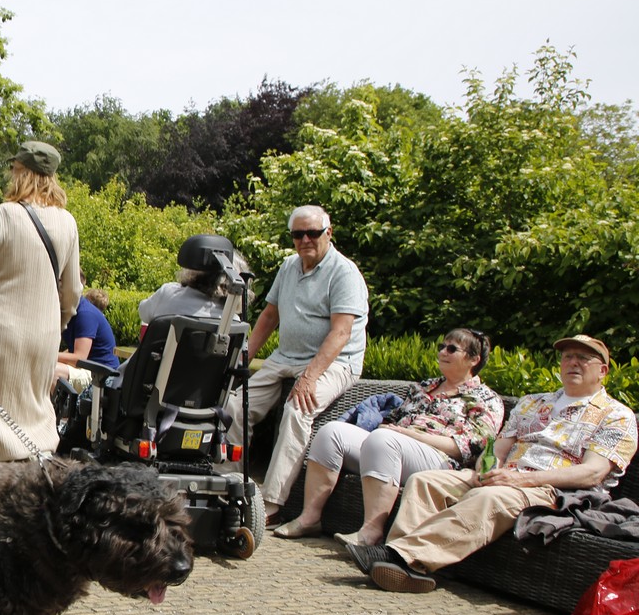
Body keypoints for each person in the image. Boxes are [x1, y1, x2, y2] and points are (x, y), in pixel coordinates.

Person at [347, 334, 637, 594]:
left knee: (491, 497)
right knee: (427, 481)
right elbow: (498, 448)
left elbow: (592, 473)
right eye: (567, 356)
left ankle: (401, 557)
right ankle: (404, 566)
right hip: (506, 477)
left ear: (602, 371)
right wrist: (485, 470)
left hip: (555, 491)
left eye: (583, 358)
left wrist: (520, 480)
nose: (573, 362)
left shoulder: (616, 416)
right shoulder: (533, 402)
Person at [274, 327, 503, 543]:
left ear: (474, 360)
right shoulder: (425, 387)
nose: (443, 352)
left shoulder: (486, 399)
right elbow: (393, 420)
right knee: (332, 432)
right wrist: (392, 430)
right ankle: (309, 518)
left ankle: (371, 531)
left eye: (452, 349)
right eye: (442, 346)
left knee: (383, 440)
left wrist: (408, 435)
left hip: (441, 461)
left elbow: (469, 448)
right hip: (391, 447)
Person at [226, 205, 368, 523]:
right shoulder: (289, 266)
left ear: (328, 233)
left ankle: (271, 503)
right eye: (298, 234)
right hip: (285, 357)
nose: (305, 240)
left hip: (335, 362)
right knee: (234, 404)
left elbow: (341, 332)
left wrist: (310, 377)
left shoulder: (344, 273)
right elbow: (269, 316)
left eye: (312, 233)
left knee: (297, 410)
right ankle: (231, 485)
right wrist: (242, 358)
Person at [0, 140, 82, 461]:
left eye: (14, 168)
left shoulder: (0, 215)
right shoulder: (68, 222)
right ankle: (35, 468)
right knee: (35, 407)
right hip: (44, 334)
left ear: (21, 171)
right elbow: (72, 292)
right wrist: (59, 325)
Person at [58, 286, 119, 372]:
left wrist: (49, 356)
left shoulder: (86, 314)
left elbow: (79, 358)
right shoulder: (70, 312)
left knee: (51, 370)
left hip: (101, 374)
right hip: (87, 368)